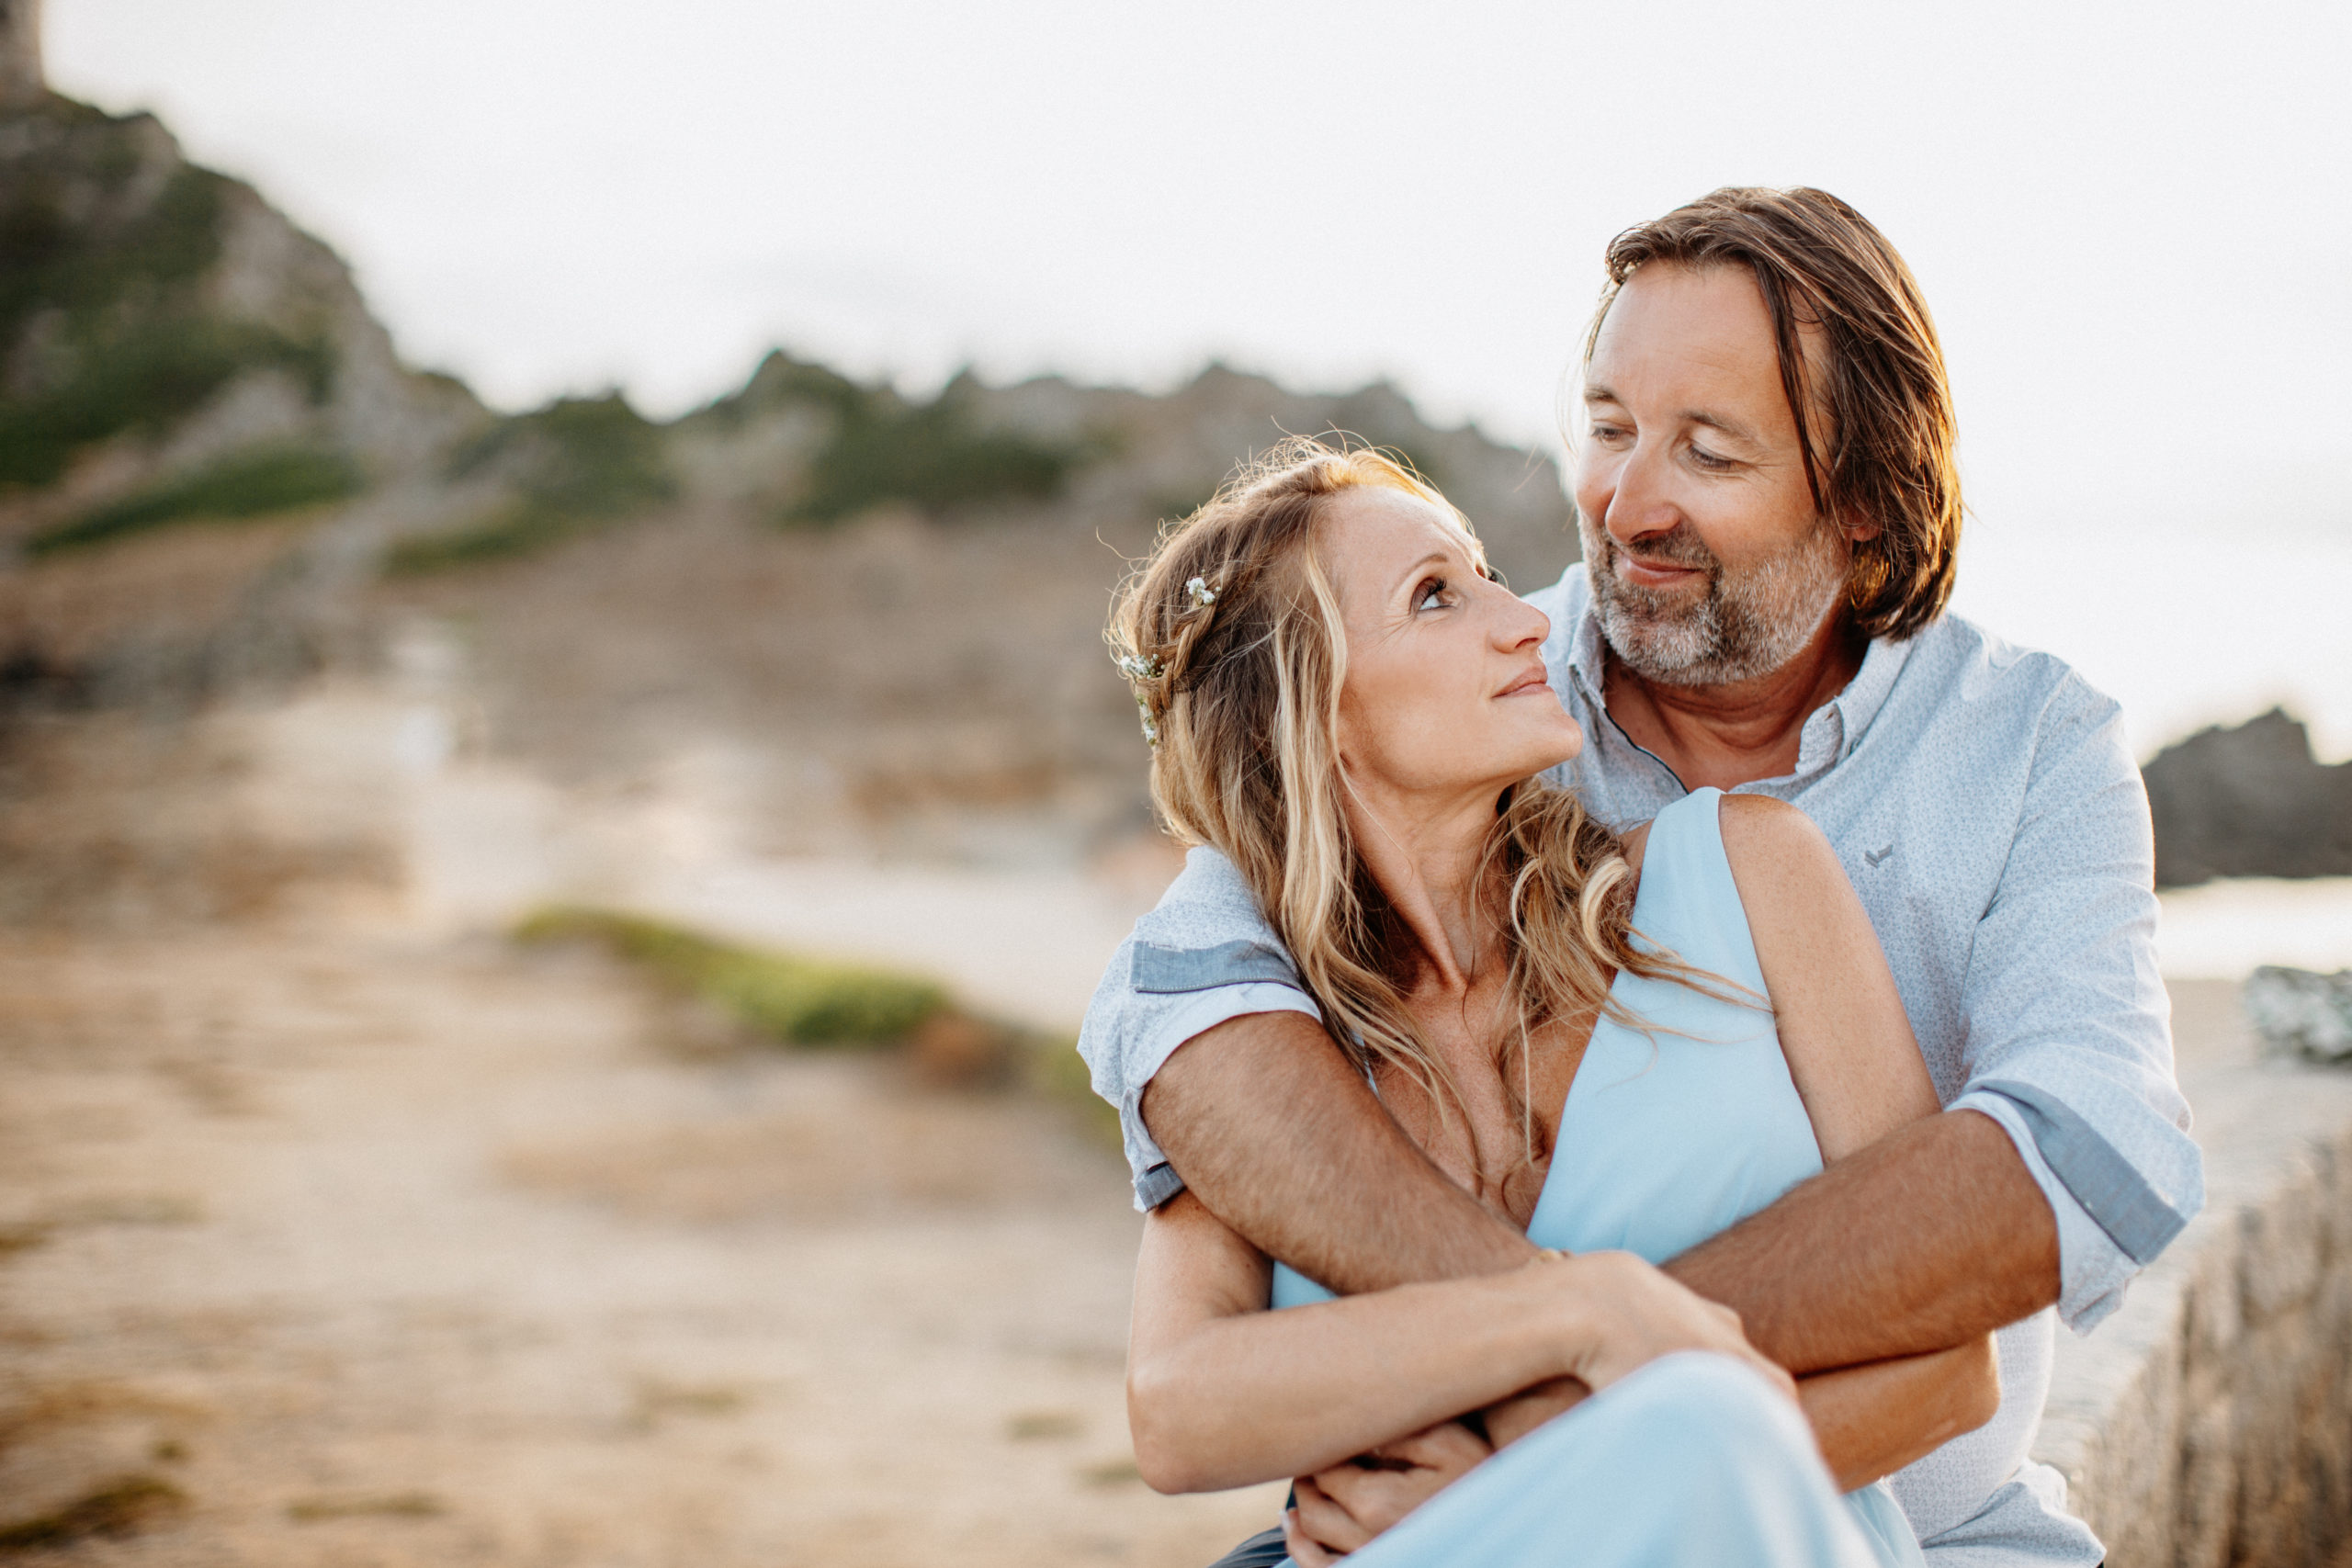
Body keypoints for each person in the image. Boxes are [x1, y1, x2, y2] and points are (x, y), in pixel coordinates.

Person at [1081, 187, 2204, 1566]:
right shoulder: (1497, 687)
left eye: (1708, 451)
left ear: (1860, 498)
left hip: (1888, 1520)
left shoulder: (2024, 752)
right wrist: (1565, 1357)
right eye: (1608, 428)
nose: (1624, 505)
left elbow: (2079, 1156)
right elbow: (1180, 1002)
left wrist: (1542, 1458)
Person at [1112, 439, 1984, 1566]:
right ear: (1314, 710)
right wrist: (1584, 1314)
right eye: (1434, 597)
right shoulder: (1262, 1041)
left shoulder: (1749, 875)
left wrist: (1534, 1501)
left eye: (1481, 571)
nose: (1522, 618)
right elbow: (1177, 1414)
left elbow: (1951, 1368)